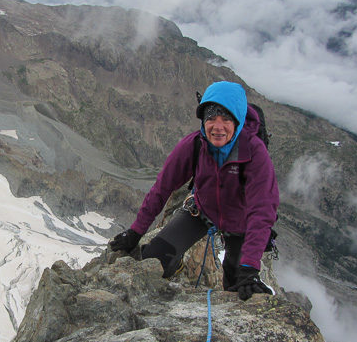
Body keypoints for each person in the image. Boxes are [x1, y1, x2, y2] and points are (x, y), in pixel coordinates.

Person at [110, 81, 279, 300]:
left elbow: (262, 211)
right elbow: (162, 188)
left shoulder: (254, 153)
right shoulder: (194, 145)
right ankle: (177, 267)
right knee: (154, 259)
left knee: (238, 287)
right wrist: (135, 232)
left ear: (237, 121)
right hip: (201, 212)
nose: (217, 127)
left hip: (242, 224)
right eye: (211, 118)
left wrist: (250, 267)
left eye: (226, 119)